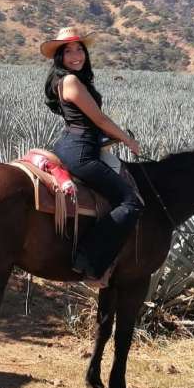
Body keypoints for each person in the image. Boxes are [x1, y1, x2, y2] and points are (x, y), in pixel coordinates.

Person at [41, 27, 144, 280]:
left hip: (71, 144)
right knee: (131, 203)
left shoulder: (64, 79)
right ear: (60, 57)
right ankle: (89, 264)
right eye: (68, 51)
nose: (76, 55)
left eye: (79, 49)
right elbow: (98, 118)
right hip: (82, 153)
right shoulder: (71, 81)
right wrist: (127, 139)